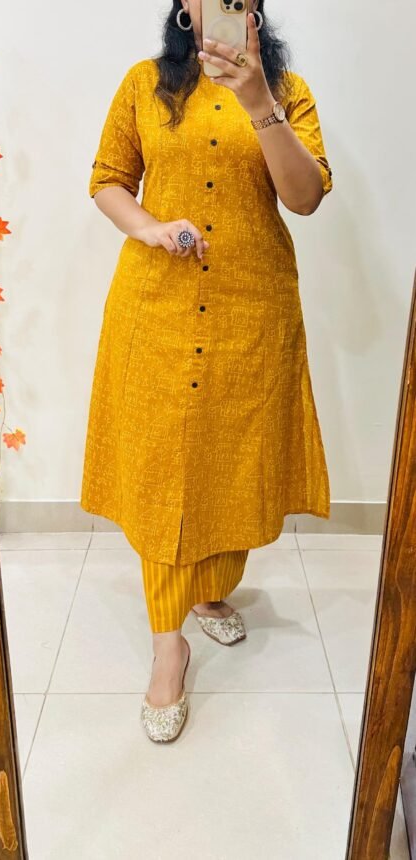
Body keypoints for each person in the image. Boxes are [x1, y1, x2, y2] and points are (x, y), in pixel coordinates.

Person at [80, 0, 333, 742]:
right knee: (163, 474)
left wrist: (259, 103)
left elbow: (306, 198)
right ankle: (170, 647)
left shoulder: (288, 93)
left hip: (250, 313)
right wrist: (150, 226)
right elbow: (107, 179)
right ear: (184, 12)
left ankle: (209, 589)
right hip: (155, 310)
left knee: (234, 463)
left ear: (252, 12)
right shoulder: (143, 84)